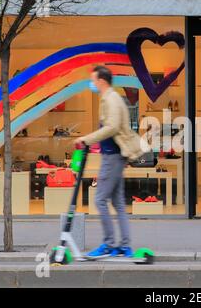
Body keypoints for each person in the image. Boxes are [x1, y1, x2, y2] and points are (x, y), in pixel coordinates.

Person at [75, 65, 146, 258]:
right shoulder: (109, 98)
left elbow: (112, 127)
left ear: (101, 81)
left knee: (100, 200)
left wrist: (86, 139)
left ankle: (108, 244)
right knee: (118, 203)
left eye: (93, 80)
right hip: (114, 155)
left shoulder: (111, 99)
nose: (92, 83)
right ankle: (124, 246)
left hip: (113, 156)